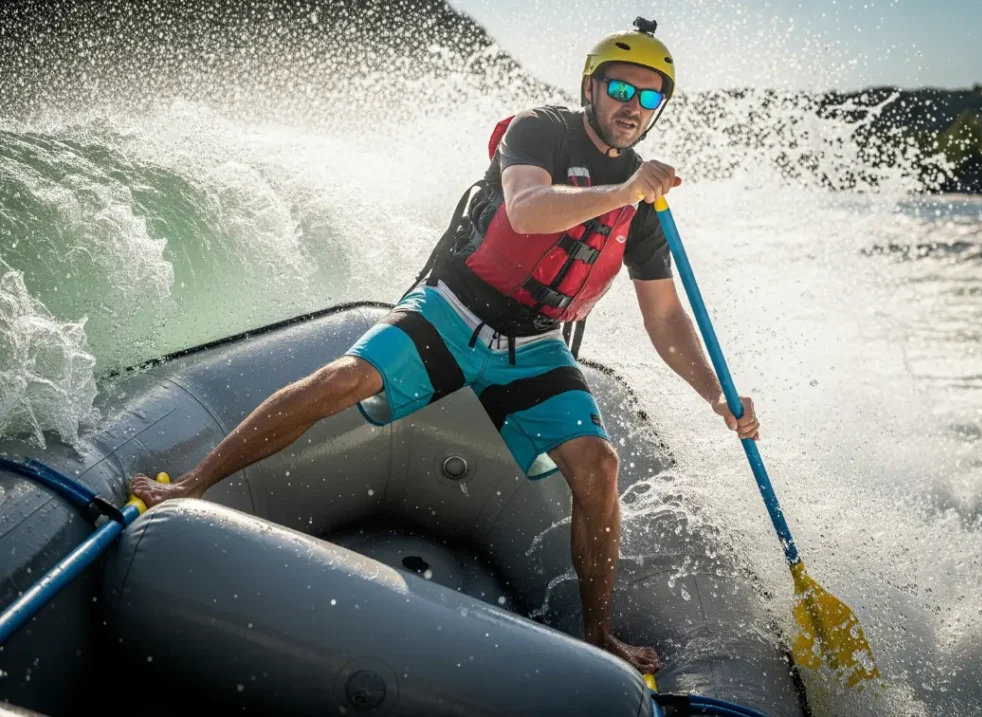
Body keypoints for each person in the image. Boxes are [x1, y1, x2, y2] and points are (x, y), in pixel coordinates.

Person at [130, 17, 759, 674]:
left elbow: (665, 319)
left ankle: (598, 634)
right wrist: (626, 189)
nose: (633, 107)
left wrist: (718, 393)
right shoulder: (542, 130)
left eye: (649, 97)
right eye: (620, 89)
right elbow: (526, 209)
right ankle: (193, 486)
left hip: (535, 344)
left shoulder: (644, 203)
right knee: (337, 383)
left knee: (599, 466)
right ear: (590, 88)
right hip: (453, 308)